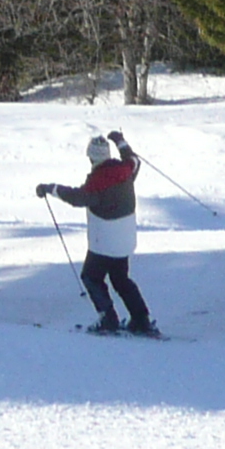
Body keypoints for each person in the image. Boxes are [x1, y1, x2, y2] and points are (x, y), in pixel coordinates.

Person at [39, 131, 159, 335]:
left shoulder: (98, 181)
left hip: (105, 241)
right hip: (126, 240)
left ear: (92, 157)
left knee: (91, 277)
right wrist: (120, 141)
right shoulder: (125, 171)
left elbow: (77, 198)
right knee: (121, 279)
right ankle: (141, 319)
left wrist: (50, 188)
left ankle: (108, 318)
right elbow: (134, 160)